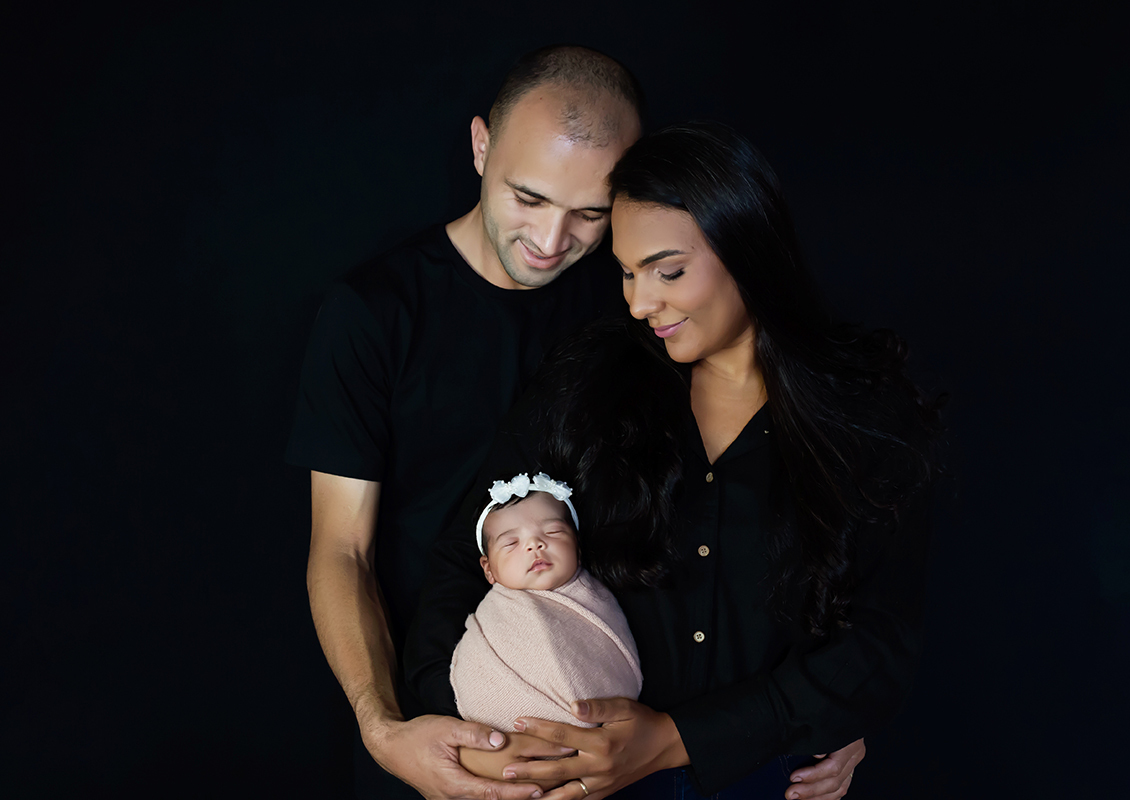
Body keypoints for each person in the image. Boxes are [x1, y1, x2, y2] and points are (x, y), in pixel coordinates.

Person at [406, 122, 942, 799]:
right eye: (627, 273)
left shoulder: (864, 411)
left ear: (749, 249)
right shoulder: (586, 383)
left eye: (668, 271)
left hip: (768, 778)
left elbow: (882, 640)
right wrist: (459, 725)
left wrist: (688, 739)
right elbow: (465, 550)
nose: (639, 302)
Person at [286, 45, 643, 800]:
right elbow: (341, 550)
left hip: (594, 741)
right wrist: (383, 729)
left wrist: (810, 717)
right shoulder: (374, 314)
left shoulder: (632, 304)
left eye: (589, 214)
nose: (552, 243)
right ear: (481, 147)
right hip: (428, 736)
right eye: (529, 198)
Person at [452, 473, 642, 790]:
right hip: (504, 751)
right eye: (512, 543)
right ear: (489, 569)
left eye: (553, 532)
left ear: (578, 548)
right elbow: (475, 668)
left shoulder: (598, 597)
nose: (535, 544)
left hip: (610, 752)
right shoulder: (495, 615)